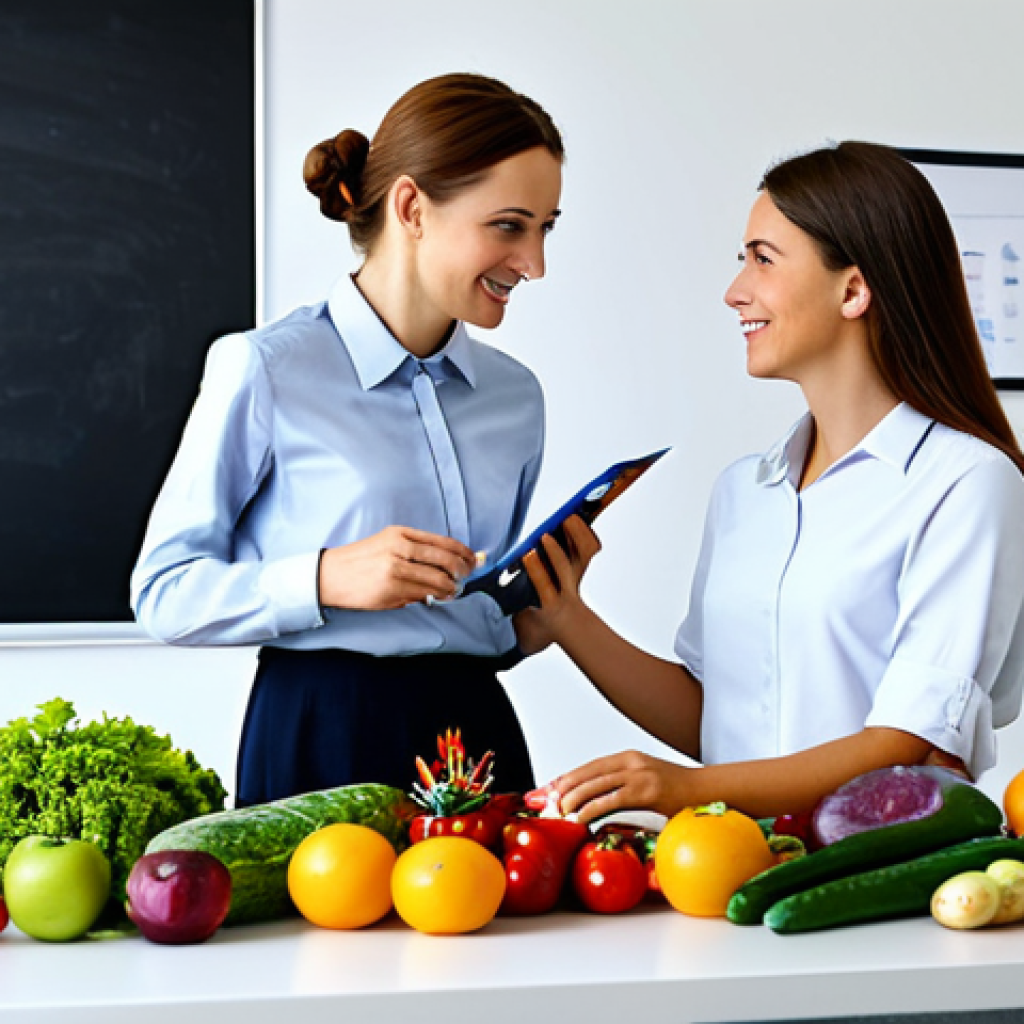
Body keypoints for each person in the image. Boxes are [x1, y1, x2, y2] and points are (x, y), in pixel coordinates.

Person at [515, 141, 1024, 825]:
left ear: (853, 288)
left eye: (763, 258)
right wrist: (569, 620)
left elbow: (909, 739)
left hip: (877, 893)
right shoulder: (744, 493)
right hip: (736, 874)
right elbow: (714, 717)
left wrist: (683, 790)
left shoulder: (968, 484)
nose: (735, 292)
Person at [131, 73, 568, 805]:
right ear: (410, 207)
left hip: (477, 735)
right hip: (319, 730)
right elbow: (164, 591)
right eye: (509, 225)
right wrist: (325, 577)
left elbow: (482, 617)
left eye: (545, 228)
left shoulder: (516, 398)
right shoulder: (265, 369)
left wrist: (530, 617)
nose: (534, 263)